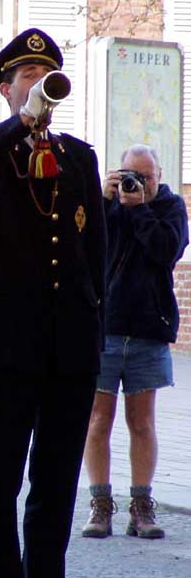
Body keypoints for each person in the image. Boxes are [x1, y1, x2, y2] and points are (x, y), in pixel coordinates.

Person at [0, 28, 106, 578]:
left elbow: (96, 251)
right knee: (2, 478)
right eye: (28, 78)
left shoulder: (78, 158)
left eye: (46, 77)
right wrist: (21, 122)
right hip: (9, 336)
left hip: (71, 341)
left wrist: (95, 326)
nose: (39, 85)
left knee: (57, 479)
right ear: (5, 91)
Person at [81, 145, 188, 540]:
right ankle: (100, 505)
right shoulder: (105, 207)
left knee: (142, 423)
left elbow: (165, 251)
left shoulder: (171, 209)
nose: (136, 184)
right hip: (104, 329)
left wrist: (139, 208)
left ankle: (142, 506)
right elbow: (86, 248)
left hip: (147, 331)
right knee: (97, 422)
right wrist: (104, 201)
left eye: (145, 177)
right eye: (130, 175)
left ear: (160, 176)